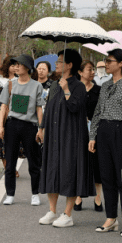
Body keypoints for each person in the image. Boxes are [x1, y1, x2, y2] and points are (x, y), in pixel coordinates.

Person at [88, 49, 122, 237]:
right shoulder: (104, 86)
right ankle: (110, 218)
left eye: (110, 61)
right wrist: (92, 135)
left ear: (121, 63)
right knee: (107, 177)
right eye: (106, 60)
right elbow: (97, 112)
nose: (106, 64)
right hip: (104, 130)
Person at [37, 49, 94, 228]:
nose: (57, 65)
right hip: (53, 134)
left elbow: (75, 107)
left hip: (71, 135)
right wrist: (41, 127)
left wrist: (67, 89)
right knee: (51, 168)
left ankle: (67, 214)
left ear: (69, 65)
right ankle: (52, 211)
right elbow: (48, 107)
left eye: (60, 62)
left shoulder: (78, 86)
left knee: (70, 170)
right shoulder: (54, 85)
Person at [0, 55, 45, 206]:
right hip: (12, 125)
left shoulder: (37, 86)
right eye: (15, 65)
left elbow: (39, 108)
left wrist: (41, 128)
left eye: (19, 65)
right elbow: (4, 106)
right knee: (10, 161)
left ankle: (35, 194)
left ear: (28, 68)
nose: (16, 67)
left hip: (29, 127)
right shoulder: (10, 84)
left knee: (33, 162)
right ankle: (10, 194)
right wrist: (0, 126)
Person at [74, 61, 103, 212]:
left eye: (93, 70)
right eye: (89, 69)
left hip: (95, 130)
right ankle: (78, 196)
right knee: (80, 162)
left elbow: (102, 110)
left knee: (96, 164)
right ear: (80, 72)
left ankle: (98, 198)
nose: (92, 72)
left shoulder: (99, 89)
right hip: (78, 130)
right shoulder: (74, 89)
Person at [0, 58, 15, 167]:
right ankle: (7, 167)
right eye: (12, 65)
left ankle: (12, 166)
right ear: (7, 66)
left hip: (15, 113)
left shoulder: (20, 80)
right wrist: (1, 98)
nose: (15, 68)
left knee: (13, 141)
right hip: (1, 112)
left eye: (17, 65)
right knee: (1, 140)